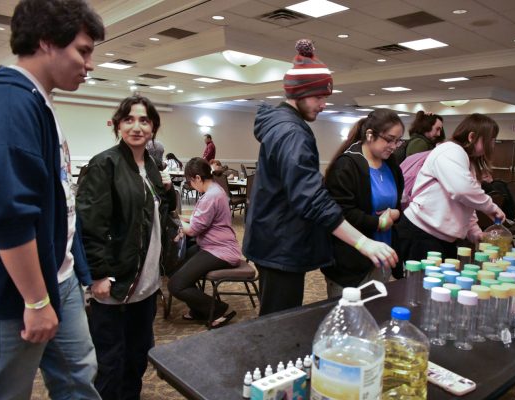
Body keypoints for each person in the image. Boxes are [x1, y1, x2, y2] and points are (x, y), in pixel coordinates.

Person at [0, 1, 104, 399]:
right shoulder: (9, 103)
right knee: (2, 389)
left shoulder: (36, 100)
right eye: (83, 50)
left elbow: (59, 204)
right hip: (16, 291)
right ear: (47, 42)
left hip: (57, 277)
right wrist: (35, 300)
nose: (90, 63)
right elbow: (6, 213)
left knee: (78, 377)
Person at [243, 39, 397, 316]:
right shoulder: (291, 132)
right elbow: (310, 198)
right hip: (280, 245)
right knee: (278, 325)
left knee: (278, 321)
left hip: (277, 241)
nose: (324, 104)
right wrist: (363, 241)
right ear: (298, 94)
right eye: (318, 97)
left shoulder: (285, 125)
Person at [76, 95, 177, 399]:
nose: (136, 127)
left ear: (153, 127)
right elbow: (91, 225)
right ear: (118, 125)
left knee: (137, 357)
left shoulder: (151, 166)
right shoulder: (104, 163)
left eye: (144, 120)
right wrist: (98, 274)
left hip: (145, 285)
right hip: (115, 283)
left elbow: (154, 217)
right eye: (129, 120)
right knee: (110, 363)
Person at [395, 113, 506, 263]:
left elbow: (466, 203)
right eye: (490, 140)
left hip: (441, 237)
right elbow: (462, 190)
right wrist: (490, 207)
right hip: (422, 232)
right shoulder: (451, 151)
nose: (492, 145)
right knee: (421, 284)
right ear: (472, 137)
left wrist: (475, 232)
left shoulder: (468, 161)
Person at [323, 109, 405, 297]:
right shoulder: (347, 165)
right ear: (370, 135)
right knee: (349, 319)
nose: (394, 146)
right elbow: (341, 213)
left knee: (376, 313)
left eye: (398, 140)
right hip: (352, 260)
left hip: (383, 254)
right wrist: (378, 223)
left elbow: (397, 204)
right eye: (389, 139)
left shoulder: (391, 165)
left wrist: (396, 214)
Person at [167, 158, 240, 328]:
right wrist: (180, 218)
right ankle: (200, 309)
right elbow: (201, 219)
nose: (191, 185)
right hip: (212, 246)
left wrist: (174, 221)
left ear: (198, 178)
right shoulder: (214, 190)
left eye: (190, 181)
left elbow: (192, 230)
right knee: (174, 268)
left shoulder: (211, 196)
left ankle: (219, 309)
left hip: (220, 250)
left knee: (175, 285)